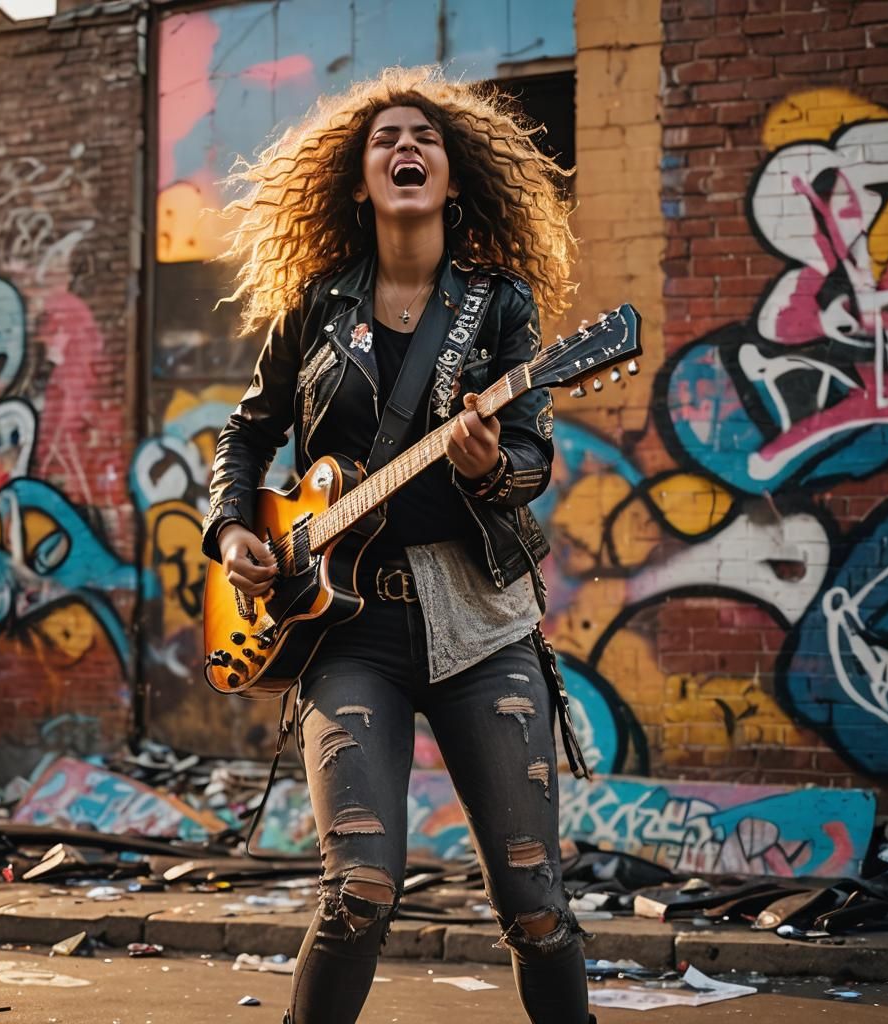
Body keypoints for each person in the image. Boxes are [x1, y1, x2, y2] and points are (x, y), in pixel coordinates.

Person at [201, 66, 592, 1024]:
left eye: (424, 137)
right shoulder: (314, 306)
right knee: (360, 889)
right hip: (347, 633)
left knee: (536, 905)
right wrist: (234, 527)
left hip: (481, 623)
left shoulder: (498, 307)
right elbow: (245, 434)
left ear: (454, 181)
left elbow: (535, 453)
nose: (404, 146)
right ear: (360, 178)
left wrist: (487, 466)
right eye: (383, 139)